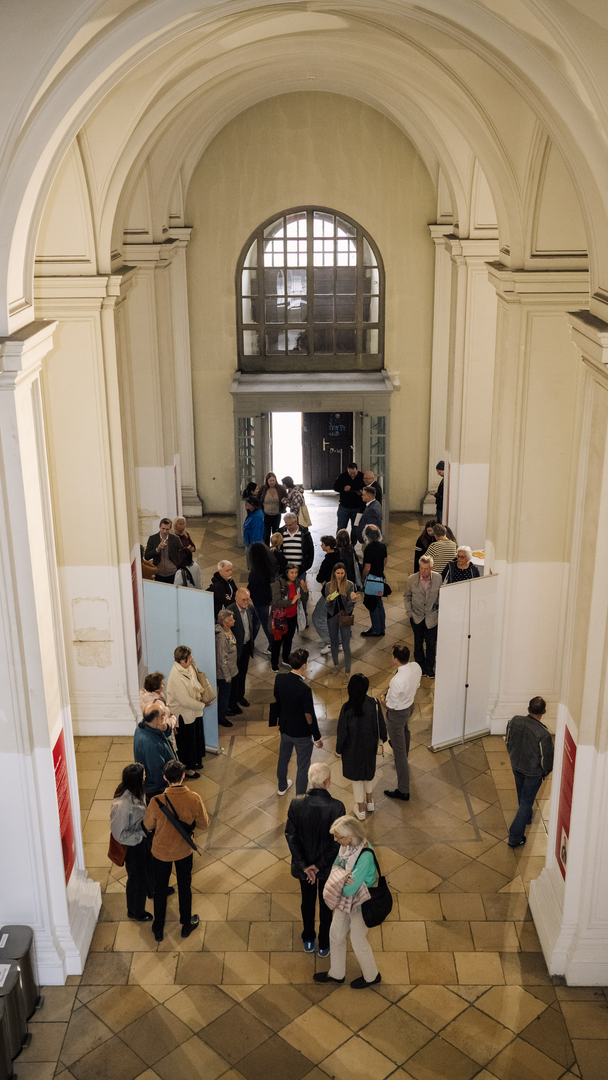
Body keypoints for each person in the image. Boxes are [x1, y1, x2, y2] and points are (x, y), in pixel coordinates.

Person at [143, 759, 209, 943]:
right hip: (183, 851)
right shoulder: (194, 798)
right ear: (182, 776)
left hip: (161, 852)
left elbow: (148, 825)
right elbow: (204, 824)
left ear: (165, 778)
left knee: (160, 889)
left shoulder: (157, 801)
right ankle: (186, 924)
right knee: (184, 887)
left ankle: (158, 928)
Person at [285, 763, 346, 957]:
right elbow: (337, 844)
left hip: (304, 869)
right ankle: (325, 944)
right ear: (327, 782)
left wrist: (305, 866)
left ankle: (309, 939)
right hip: (327, 867)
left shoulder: (296, 803)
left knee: (307, 901)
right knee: (327, 902)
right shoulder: (337, 807)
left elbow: (291, 835)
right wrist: (318, 866)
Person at [313, 815, 381, 989]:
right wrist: (344, 877)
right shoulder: (346, 849)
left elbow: (349, 889)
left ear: (350, 836)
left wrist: (340, 878)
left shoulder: (364, 855)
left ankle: (372, 976)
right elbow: (335, 867)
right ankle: (336, 973)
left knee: (358, 940)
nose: (335, 840)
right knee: (335, 935)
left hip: (361, 904)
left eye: (338, 837)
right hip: (346, 902)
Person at [336, 675, 387, 819]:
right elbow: (381, 725)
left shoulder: (347, 707)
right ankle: (370, 801)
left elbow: (342, 732)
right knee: (368, 773)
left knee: (357, 779)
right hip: (369, 746)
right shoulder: (374, 703)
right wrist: (383, 738)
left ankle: (361, 808)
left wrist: (338, 750)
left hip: (352, 749)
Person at [274, 648, 323, 795]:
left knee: (284, 757)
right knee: (303, 765)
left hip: (285, 728)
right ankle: (300, 797)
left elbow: (277, 699)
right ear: (304, 666)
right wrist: (317, 735)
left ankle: (282, 786)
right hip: (301, 733)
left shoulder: (279, 679)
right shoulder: (304, 689)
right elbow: (309, 715)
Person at [506, 697, 554, 847]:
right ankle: (515, 837)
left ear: (528, 709)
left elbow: (508, 741)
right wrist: (545, 772)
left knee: (521, 793)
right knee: (526, 802)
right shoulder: (543, 734)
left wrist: (513, 756)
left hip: (516, 765)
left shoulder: (515, 720)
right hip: (532, 772)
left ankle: (526, 817)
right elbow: (547, 760)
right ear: (544, 712)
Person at [110, 763, 151, 922]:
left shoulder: (135, 791)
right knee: (136, 879)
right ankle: (135, 910)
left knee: (149, 865)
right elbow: (119, 834)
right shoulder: (122, 805)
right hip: (133, 845)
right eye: (144, 775)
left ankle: (151, 889)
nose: (146, 776)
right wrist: (140, 836)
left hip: (140, 837)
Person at [380, 644, 422, 801]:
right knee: (406, 731)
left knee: (399, 755)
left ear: (395, 659)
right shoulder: (416, 667)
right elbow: (416, 685)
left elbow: (390, 706)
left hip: (397, 714)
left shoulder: (396, 680)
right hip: (409, 707)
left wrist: (383, 700)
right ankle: (405, 752)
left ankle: (403, 789)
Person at [167, 645, 212, 775]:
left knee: (194, 737)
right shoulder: (176, 676)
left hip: (194, 711)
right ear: (182, 661)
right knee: (186, 742)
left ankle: (195, 762)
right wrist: (202, 705)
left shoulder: (188, 667)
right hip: (183, 714)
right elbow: (184, 700)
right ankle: (186, 769)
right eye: (190, 657)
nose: (193, 659)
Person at [404, 555, 442, 677]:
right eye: (421, 568)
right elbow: (407, 597)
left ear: (431, 568)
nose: (423, 571)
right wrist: (410, 613)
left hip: (432, 617)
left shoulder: (438, 578)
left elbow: (442, 596)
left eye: (426, 568)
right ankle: (420, 666)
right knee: (418, 642)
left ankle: (430, 666)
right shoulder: (412, 579)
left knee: (431, 643)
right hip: (417, 616)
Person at [134, 704, 177, 800]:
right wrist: (168, 786)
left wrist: (166, 728)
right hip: (157, 789)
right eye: (163, 715)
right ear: (156, 720)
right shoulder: (151, 744)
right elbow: (156, 771)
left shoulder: (144, 725)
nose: (165, 716)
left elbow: (164, 735)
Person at [270, 564, 308, 672]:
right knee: (278, 641)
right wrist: (291, 602)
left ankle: (286, 658)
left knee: (288, 639)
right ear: (286, 573)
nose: (294, 575)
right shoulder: (279, 583)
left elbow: (304, 599)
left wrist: (305, 590)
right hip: (281, 617)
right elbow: (276, 601)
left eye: (296, 572)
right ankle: (274, 662)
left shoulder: (297, 583)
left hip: (293, 616)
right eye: (292, 573)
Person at [279, 513, 314, 617]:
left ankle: (303, 615)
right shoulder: (280, 533)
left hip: (300, 570)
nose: (288, 527)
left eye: (290, 525)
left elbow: (310, 552)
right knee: (286, 594)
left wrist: (304, 567)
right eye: (286, 525)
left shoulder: (305, 533)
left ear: (296, 522)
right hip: (286, 571)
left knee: (302, 594)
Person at [325, 563, 358, 676]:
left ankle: (347, 670)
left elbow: (349, 608)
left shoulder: (349, 585)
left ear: (345, 573)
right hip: (332, 617)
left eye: (342, 573)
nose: (340, 576)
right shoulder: (329, 585)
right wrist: (328, 601)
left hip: (345, 616)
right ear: (334, 573)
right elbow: (327, 607)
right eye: (338, 573)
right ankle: (335, 665)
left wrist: (352, 601)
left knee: (346, 645)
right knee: (333, 642)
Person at [226, 588, 254, 715]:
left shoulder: (250, 608)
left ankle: (240, 696)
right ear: (236, 598)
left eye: (248, 599)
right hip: (235, 650)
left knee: (243, 673)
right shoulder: (229, 611)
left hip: (246, 647)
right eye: (244, 599)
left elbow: (254, 624)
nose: (246, 602)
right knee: (234, 676)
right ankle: (231, 703)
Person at [313, 535, 340, 656]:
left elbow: (319, 577)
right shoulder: (340, 556)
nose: (321, 546)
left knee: (318, 617)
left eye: (323, 544)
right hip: (339, 592)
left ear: (328, 547)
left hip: (330, 593)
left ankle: (330, 642)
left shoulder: (328, 561)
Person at [360, 524, 387, 638]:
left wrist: (363, 578)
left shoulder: (369, 549)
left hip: (371, 581)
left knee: (372, 605)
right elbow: (385, 561)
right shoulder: (383, 546)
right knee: (379, 603)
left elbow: (367, 567)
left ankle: (375, 629)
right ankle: (382, 628)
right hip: (380, 578)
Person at [248, 541, 276, 649]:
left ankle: (273, 645)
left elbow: (252, 587)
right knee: (256, 621)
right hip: (266, 597)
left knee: (264, 624)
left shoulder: (255, 571)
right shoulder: (268, 565)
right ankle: (250, 643)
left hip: (258, 601)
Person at [215, 609, 238, 727]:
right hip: (224, 674)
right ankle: (221, 717)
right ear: (224, 623)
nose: (233, 621)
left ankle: (224, 711)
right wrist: (227, 676)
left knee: (227, 695)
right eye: (230, 620)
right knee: (224, 695)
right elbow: (221, 660)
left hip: (230, 669)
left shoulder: (228, 631)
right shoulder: (222, 638)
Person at [139, 671, 177, 741]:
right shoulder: (157, 703)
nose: (164, 684)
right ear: (156, 687)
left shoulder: (147, 697)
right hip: (161, 736)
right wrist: (174, 718)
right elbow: (164, 724)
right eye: (162, 683)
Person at [144, 517, 183, 584]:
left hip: (173, 572)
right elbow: (147, 556)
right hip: (159, 573)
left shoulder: (175, 539)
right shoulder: (152, 539)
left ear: (170, 529)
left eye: (167, 529)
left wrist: (178, 566)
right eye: (163, 529)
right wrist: (157, 549)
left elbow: (182, 553)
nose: (165, 531)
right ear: (159, 527)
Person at [333, 463, 365, 534]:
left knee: (356, 529)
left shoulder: (362, 476)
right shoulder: (342, 476)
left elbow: (366, 488)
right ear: (347, 470)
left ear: (357, 470)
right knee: (341, 528)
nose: (352, 475)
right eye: (350, 473)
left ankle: (353, 544)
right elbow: (335, 487)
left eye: (354, 473)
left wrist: (361, 492)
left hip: (357, 508)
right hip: (344, 507)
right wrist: (343, 488)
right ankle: (340, 543)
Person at [259, 471, 288, 543]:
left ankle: (275, 548)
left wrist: (284, 500)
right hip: (266, 515)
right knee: (266, 534)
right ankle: (266, 550)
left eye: (273, 480)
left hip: (276, 514)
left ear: (276, 480)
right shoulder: (263, 488)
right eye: (270, 481)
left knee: (276, 532)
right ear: (267, 481)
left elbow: (287, 497)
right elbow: (258, 499)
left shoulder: (280, 488)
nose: (272, 482)